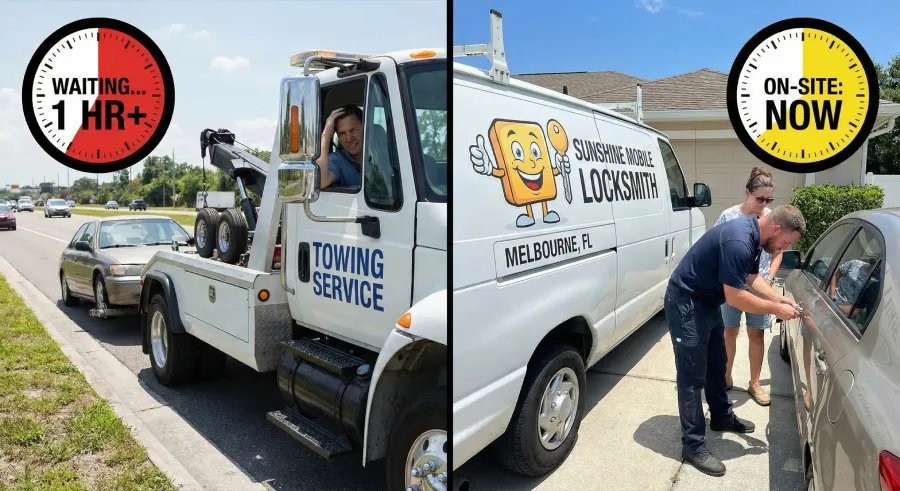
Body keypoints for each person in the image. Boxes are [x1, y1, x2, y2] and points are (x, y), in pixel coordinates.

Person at [664, 204, 806, 477]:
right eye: (785, 242)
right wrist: (776, 310)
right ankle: (693, 446)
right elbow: (736, 297)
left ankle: (720, 417)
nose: (781, 249)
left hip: (707, 302)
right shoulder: (740, 240)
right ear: (775, 229)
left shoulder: (756, 237)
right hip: (686, 302)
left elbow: (752, 278)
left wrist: (778, 297)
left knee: (717, 365)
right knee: (692, 378)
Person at [715, 166, 783, 406]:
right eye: (760, 198)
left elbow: (778, 252)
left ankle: (755, 383)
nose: (764, 204)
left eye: (769, 199)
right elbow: (717, 248)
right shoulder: (729, 216)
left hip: (759, 286)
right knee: (729, 331)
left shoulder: (771, 219)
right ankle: (725, 376)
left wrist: (770, 279)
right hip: (732, 286)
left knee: (757, 334)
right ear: (747, 193)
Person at [315, 105, 364, 189]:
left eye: (353, 130)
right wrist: (326, 136)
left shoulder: (383, 151)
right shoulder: (337, 160)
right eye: (342, 133)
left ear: (365, 127)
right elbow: (321, 182)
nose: (349, 139)